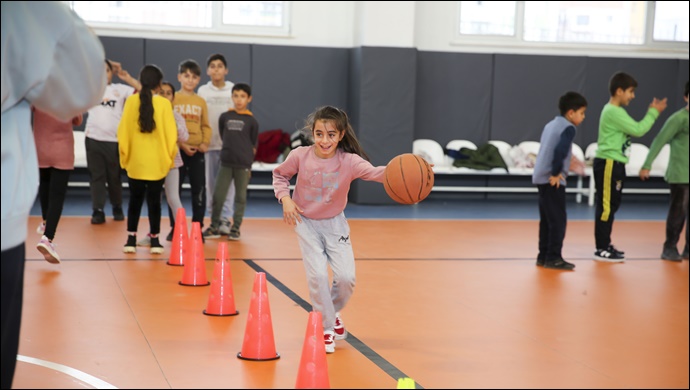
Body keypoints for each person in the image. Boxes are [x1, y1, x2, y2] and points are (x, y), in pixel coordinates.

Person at [1, 2, 106, 388]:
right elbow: (81, 91)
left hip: (38, 150)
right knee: (55, 196)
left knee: (48, 193)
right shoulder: (22, 13)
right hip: (43, 165)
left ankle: (46, 228)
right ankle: (48, 233)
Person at [272, 106, 387, 354]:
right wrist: (286, 199)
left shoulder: (349, 161)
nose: (325, 140)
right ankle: (325, 328)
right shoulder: (300, 155)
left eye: (331, 135)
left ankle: (330, 313)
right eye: (319, 134)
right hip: (306, 223)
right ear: (312, 133)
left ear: (341, 135)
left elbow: (379, 173)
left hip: (335, 224)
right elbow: (280, 176)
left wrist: (412, 170)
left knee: (346, 278)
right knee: (318, 277)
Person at [592, 71, 667, 262]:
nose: (632, 96)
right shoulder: (613, 111)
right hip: (609, 162)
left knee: (612, 204)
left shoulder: (616, 111)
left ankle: (605, 244)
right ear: (619, 91)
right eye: (630, 91)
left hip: (616, 162)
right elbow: (638, 130)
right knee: (606, 207)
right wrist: (653, 113)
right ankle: (601, 248)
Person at [118, 65, 178, 254]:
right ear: (159, 84)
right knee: (154, 202)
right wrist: (168, 159)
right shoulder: (164, 104)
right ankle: (154, 241)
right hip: (157, 163)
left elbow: (123, 132)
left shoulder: (131, 101)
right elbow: (171, 135)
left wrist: (125, 158)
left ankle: (131, 238)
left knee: (134, 200)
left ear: (141, 81)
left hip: (136, 161)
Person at [532, 92, 588, 270]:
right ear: (571, 113)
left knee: (547, 220)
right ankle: (554, 257)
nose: (583, 117)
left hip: (541, 176)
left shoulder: (551, 124)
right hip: (552, 179)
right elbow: (560, 150)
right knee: (558, 220)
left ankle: (543, 256)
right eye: (582, 113)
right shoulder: (569, 128)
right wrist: (556, 173)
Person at [84, 58, 140, 224]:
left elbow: (143, 90)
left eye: (107, 70)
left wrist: (126, 77)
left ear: (112, 74)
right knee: (97, 177)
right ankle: (98, 210)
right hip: (93, 139)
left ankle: (117, 206)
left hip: (114, 141)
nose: (103, 74)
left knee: (114, 177)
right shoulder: (90, 89)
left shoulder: (120, 89)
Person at [639, 81, 689, 261]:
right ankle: (669, 247)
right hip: (680, 174)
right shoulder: (678, 119)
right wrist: (647, 164)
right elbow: (660, 140)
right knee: (678, 212)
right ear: (686, 97)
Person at [202, 83, 258, 241]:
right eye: (236, 96)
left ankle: (235, 228)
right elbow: (222, 134)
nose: (239, 100)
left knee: (240, 197)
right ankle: (214, 226)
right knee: (218, 196)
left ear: (249, 98)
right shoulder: (225, 117)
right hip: (225, 163)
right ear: (232, 97)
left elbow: (253, 143)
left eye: (242, 96)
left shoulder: (252, 121)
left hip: (243, 166)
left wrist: (248, 163)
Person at [137, 81, 189, 247]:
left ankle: (182, 234)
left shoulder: (176, 116)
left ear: (173, 97)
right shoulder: (150, 114)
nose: (165, 95)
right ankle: (153, 234)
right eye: (162, 92)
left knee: (173, 198)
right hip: (153, 162)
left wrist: (170, 123)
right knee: (153, 199)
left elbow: (184, 137)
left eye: (168, 93)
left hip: (172, 163)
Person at [32, 108, 84, 264]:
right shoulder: (68, 97)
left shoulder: (39, 94)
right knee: (57, 196)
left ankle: (46, 221)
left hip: (41, 148)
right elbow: (78, 120)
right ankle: (47, 238)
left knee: (45, 185)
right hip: (62, 150)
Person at [171, 59, 211, 240]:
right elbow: (169, 125)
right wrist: (181, 144)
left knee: (199, 189)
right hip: (177, 150)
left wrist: (204, 143)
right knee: (174, 191)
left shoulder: (200, 101)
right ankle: (176, 228)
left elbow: (205, 125)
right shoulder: (173, 98)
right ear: (179, 77)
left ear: (198, 80)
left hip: (197, 152)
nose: (190, 80)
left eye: (194, 77)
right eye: (186, 76)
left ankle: (197, 228)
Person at [197, 53, 236, 236]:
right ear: (207, 71)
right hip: (209, 145)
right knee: (211, 184)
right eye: (212, 66)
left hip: (229, 146)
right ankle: (213, 220)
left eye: (220, 65)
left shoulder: (232, 89)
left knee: (228, 185)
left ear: (226, 70)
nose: (216, 69)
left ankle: (226, 219)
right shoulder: (203, 91)